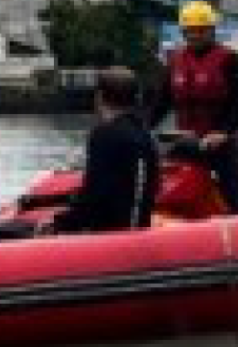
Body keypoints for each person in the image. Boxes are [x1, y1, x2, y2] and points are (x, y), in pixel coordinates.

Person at [147, 0, 238, 216]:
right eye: (189, 31)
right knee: (166, 188)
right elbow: (161, 102)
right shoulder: (175, 62)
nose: (194, 36)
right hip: (186, 141)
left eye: (200, 31)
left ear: (211, 31)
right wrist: (142, 128)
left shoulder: (232, 61)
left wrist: (223, 132)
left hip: (221, 144)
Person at [53, 67, 160, 235]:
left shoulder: (104, 134)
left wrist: (60, 223)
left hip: (111, 236)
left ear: (100, 97)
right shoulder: (146, 135)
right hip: (140, 229)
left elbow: (94, 194)